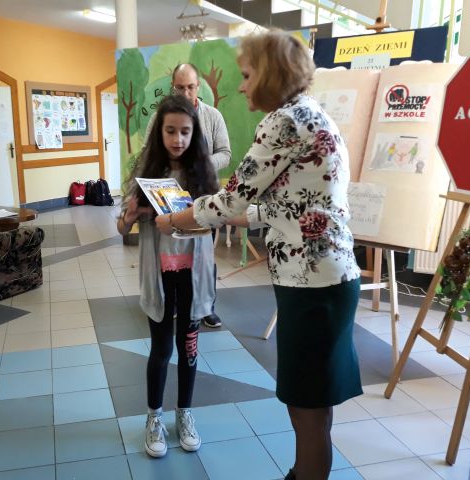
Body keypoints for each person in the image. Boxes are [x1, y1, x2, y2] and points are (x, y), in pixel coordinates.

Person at [155, 30, 362, 480]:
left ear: (270, 75)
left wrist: (172, 220)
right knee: (314, 406)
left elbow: (228, 199)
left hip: (312, 286)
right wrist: (240, 216)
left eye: (248, 75)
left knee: (306, 409)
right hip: (332, 278)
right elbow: (292, 204)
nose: (243, 86)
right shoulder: (312, 114)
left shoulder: (282, 122)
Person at [118, 95, 219, 458]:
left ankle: (184, 413)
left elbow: (215, 222)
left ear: (195, 134)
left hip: (193, 276)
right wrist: (131, 215)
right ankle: (154, 417)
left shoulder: (203, 176)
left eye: (185, 131)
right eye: (171, 130)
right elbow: (121, 227)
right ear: (159, 132)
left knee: (189, 349)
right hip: (159, 276)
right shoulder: (146, 175)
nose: (178, 139)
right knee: (161, 349)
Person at [145, 63, 231, 328]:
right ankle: (171, 302)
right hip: (167, 198)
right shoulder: (158, 118)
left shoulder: (213, 116)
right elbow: (148, 152)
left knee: (204, 255)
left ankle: (206, 306)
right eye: (180, 87)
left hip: (202, 198)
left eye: (190, 87)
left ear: (198, 86)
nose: (185, 92)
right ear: (173, 87)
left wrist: (198, 164)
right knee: (172, 253)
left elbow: (225, 154)